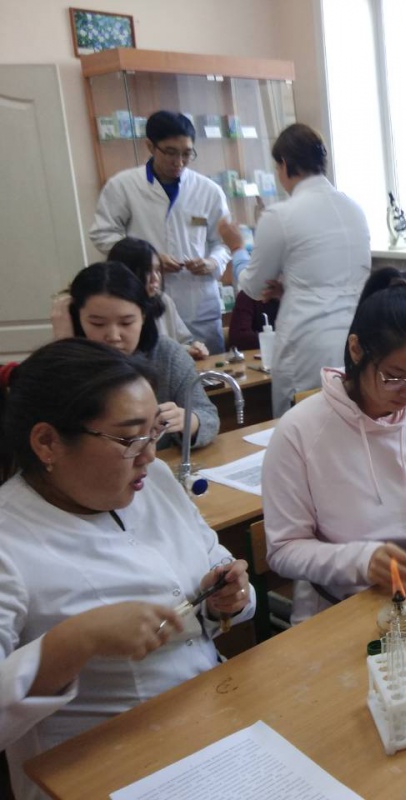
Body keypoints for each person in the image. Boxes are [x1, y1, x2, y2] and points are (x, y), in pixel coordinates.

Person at [0, 339, 253, 800]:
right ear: (48, 442)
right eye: (130, 438)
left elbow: (213, 556)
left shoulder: (153, 481)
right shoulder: (9, 539)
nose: (150, 455)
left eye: (155, 432)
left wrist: (226, 597)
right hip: (101, 773)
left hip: (207, 722)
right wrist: (73, 642)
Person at [261, 268, 406, 624]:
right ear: (356, 350)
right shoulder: (299, 431)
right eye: (394, 376)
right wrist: (362, 562)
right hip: (338, 611)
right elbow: (283, 550)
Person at [223, 122, 371, 418]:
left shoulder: (281, 215)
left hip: (308, 343)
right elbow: (334, 278)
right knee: (347, 422)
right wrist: (291, 287)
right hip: (357, 337)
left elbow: (253, 287)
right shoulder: (354, 209)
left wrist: (237, 248)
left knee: (300, 425)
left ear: (285, 164)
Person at [89, 110, 231, 354]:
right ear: (150, 146)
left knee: (208, 367)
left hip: (198, 302)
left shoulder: (208, 190)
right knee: (155, 365)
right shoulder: (123, 186)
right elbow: (103, 234)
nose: (179, 161)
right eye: (170, 152)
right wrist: (150, 260)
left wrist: (213, 261)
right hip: (145, 298)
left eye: (187, 153)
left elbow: (225, 242)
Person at [67, 262, 220, 450]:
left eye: (126, 323)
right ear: (77, 319)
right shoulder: (66, 365)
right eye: (97, 324)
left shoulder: (167, 354)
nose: (114, 336)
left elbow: (207, 415)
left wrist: (189, 420)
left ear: (143, 317)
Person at [51, 237, 209, 360]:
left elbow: (182, 342)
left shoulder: (163, 301)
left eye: (157, 270)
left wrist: (191, 348)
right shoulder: (86, 306)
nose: (155, 279)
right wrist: (63, 340)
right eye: (146, 272)